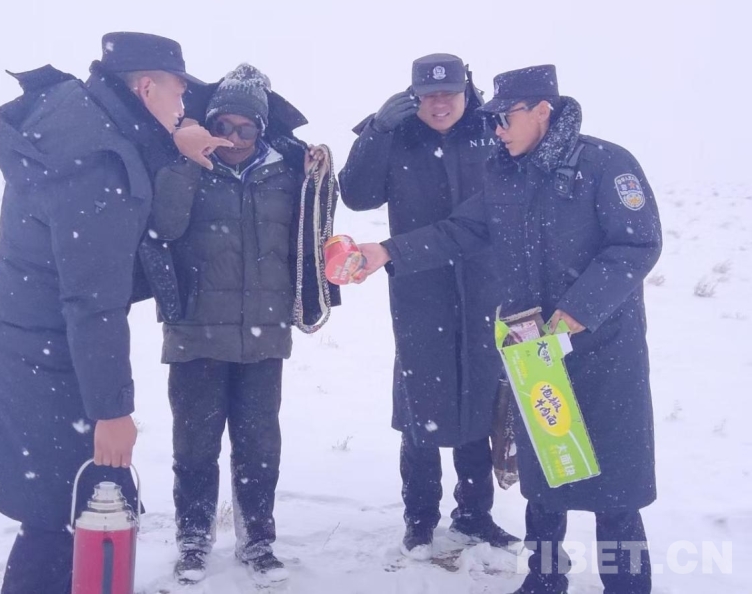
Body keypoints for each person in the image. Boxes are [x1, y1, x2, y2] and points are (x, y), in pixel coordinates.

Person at [356, 65, 662, 594]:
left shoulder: (606, 164)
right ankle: (544, 579)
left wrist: (576, 311)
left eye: (505, 117)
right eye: (492, 119)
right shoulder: (504, 173)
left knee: (615, 483)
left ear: (542, 110)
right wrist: (388, 251)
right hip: (534, 349)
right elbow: (461, 231)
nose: (496, 129)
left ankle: (627, 585)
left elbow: (636, 244)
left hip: (604, 352)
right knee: (545, 478)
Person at [0, 32, 229, 594]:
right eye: (178, 92)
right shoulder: (100, 163)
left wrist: (173, 145)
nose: (183, 105)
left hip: (27, 336)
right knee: (63, 512)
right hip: (50, 348)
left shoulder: (81, 117)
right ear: (146, 87)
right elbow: (94, 302)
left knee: (57, 508)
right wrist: (112, 412)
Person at [147, 63, 336, 585]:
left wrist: (315, 169)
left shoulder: (287, 174)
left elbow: (313, 232)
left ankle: (257, 540)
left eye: (246, 128)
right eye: (223, 126)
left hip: (264, 336)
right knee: (194, 446)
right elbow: (163, 227)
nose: (233, 138)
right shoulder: (182, 165)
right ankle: (193, 538)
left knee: (259, 447)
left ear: (261, 130)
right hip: (195, 336)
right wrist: (187, 160)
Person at [338, 54, 517, 559]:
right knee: (422, 403)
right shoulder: (397, 136)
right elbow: (357, 195)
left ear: (467, 92)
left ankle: (475, 515)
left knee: (479, 396)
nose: (440, 105)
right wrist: (374, 133)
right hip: (418, 286)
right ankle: (419, 520)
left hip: (485, 286)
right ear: (412, 96)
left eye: (449, 94)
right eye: (428, 95)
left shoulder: (491, 132)